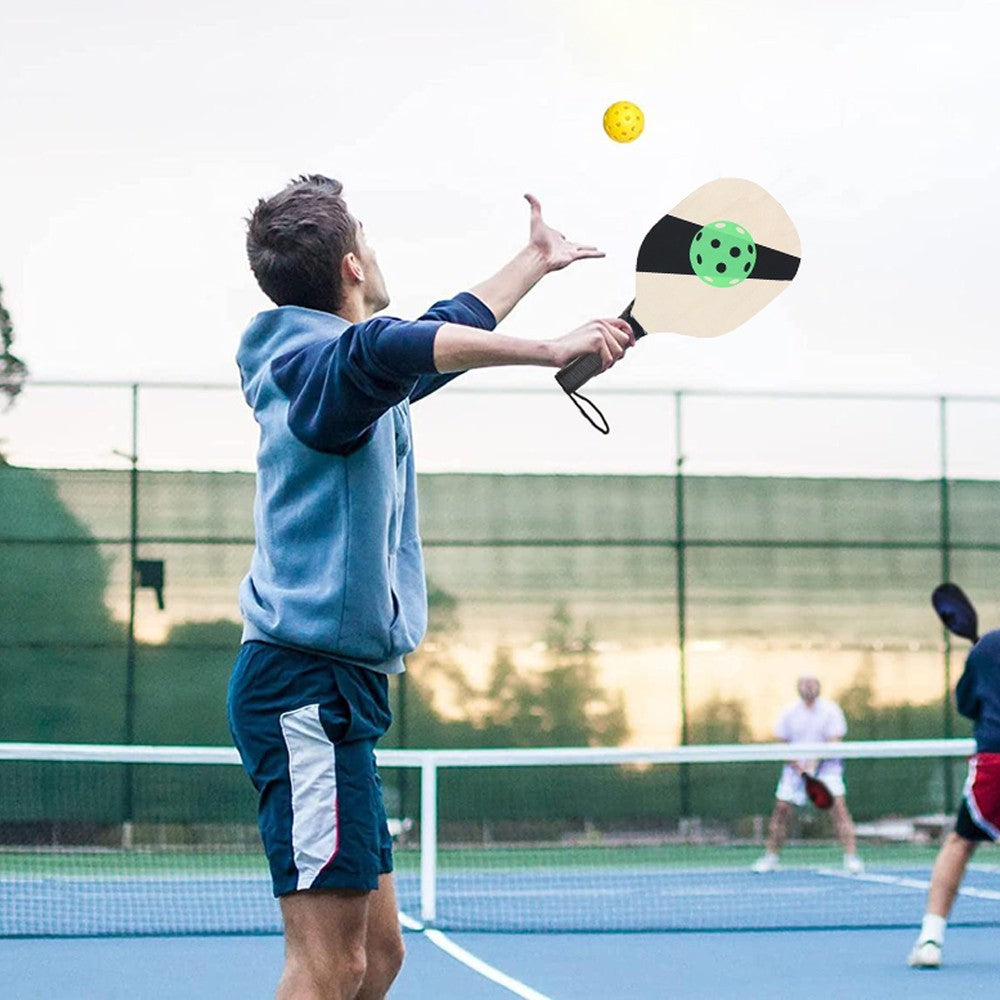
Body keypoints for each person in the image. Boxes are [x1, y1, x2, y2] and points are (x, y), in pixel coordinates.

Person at [226, 174, 634, 1000]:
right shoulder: (322, 370)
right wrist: (552, 350)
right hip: (303, 689)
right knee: (327, 965)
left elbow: (431, 333)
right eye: (368, 240)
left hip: (338, 689)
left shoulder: (340, 369)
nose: (376, 253)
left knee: (379, 958)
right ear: (351, 266)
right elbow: (392, 345)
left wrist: (533, 262)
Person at [908, 630, 1000, 969]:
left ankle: (930, 939)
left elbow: (966, 704)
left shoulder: (987, 647)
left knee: (961, 842)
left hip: (994, 761)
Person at [752, 674, 864, 874]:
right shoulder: (788, 711)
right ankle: (771, 857)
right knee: (781, 810)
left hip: (827, 769)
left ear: (819, 687)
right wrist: (801, 768)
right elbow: (783, 743)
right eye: (805, 684)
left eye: (812, 684)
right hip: (795, 770)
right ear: (799, 687)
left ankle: (851, 858)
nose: (809, 687)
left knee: (838, 808)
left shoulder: (831, 710)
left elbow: (834, 740)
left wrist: (814, 762)